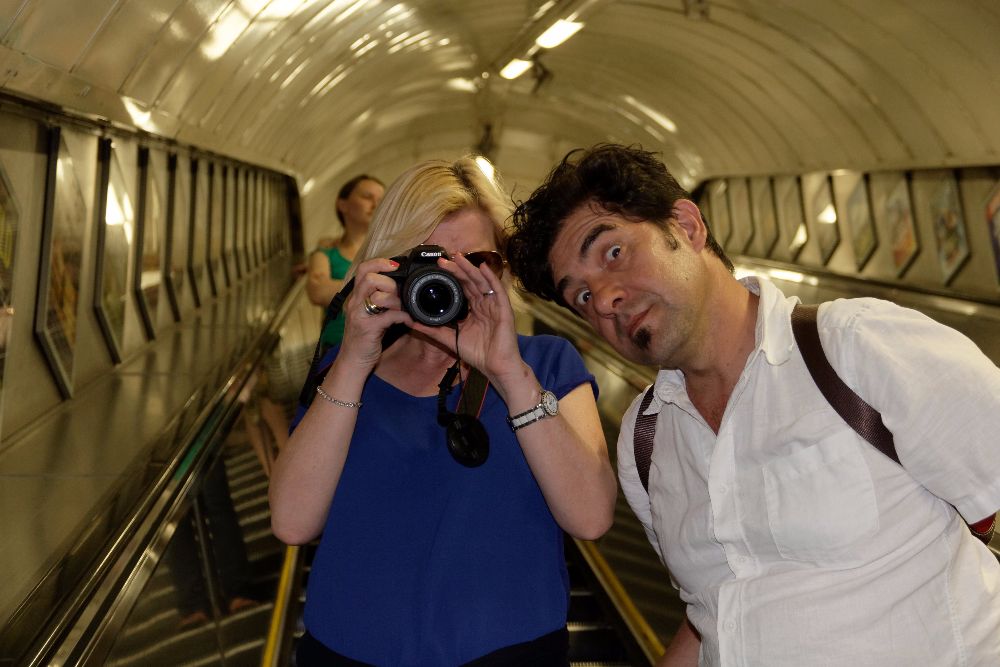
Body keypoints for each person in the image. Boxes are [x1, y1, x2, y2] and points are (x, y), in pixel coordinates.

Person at [505, 143, 1000, 666]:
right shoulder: (644, 441)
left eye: (613, 253)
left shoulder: (855, 347)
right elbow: (715, 611)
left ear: (687, 227)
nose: (605, 299)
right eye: (582, 296)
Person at [269, 157, 617, 665]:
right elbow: (292, 523)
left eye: (476, 262)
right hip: (346, 651)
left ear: (502, 268)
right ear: (386, 265)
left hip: (509, 654)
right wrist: (354, 358)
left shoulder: (544, 364)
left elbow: (591, 517)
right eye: (427, 261)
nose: (450, 282)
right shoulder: (345, 373)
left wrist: (509, 373)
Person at [308, 174, 385, 346]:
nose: (375, 205)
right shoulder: (326, 253)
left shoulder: (392, 249)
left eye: (381, 200)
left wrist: (340, 287)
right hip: (336, 348)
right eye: (367, 197)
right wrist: (379, 286)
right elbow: (318, 292)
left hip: (384, 347)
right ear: (342, 205)